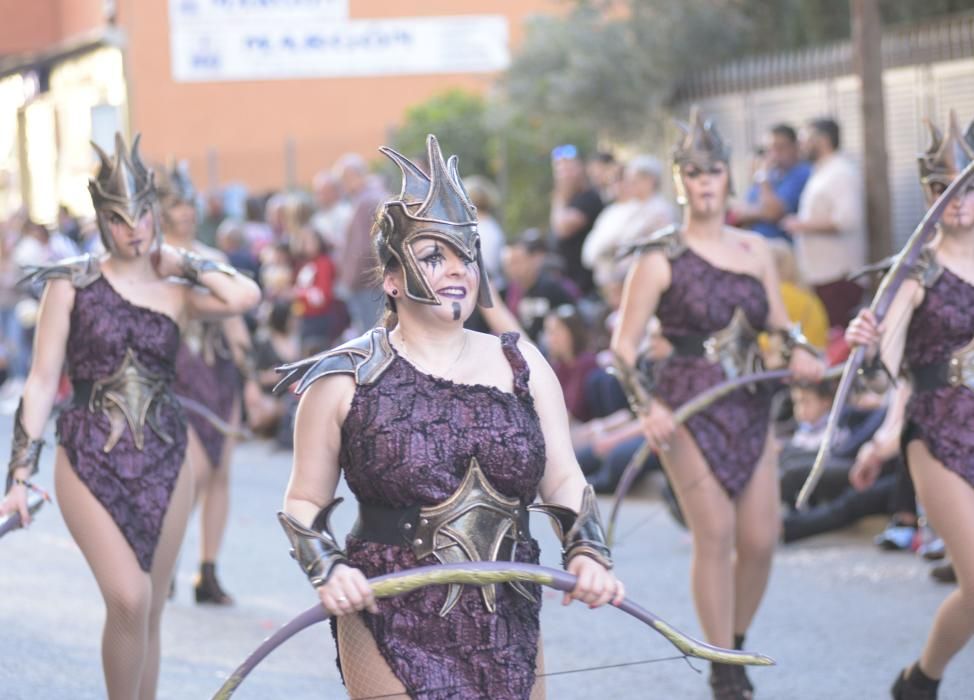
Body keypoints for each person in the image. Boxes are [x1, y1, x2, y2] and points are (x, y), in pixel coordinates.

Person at [276, 135, 621, 700]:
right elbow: (303, 502)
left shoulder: (521, 362)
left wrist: (587, 552)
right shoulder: (345, 377)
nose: (456, 270)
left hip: (508, 607)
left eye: (466, 255)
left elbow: (562, 477)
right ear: (390, 278)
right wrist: (329, 569)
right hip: (389, 609)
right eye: (434, 257)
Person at [0, 133, 260, 698]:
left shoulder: (177, 289)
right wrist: (18, 477)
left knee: (150, 615)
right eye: (119, 218)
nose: (133, 228)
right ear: (101, 219)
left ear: (156, 215)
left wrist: (182, 260)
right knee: (129, 597)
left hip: (169, 460)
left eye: (142, 214)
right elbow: (43, 381)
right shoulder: (71, 283)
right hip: (87, 455)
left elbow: (245, 297)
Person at [610, 108, 823, 700]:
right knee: (717, 531)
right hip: (685, 406)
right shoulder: (659, 257)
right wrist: (646, 407)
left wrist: (802, 353)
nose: (705, 183)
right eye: (693, 173)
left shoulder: (756, 250)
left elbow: (779, 329)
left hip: (749, 403)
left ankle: (733, 634)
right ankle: (723, 664)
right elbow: (623, 350)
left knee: (760, 538)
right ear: (681, 182)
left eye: (714, 172)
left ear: (729, 178)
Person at [845, 110, 974, 699]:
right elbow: (890, 351)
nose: (960, 200)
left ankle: (919, 683)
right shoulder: (918, 266)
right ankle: (923, 677)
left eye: (969, 184)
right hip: (938, 430)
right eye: (945, 188)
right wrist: (868, 335)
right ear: (928, 194)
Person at [159, 165, 259, 605]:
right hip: (177, 371)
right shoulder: (156, 261)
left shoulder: (212, 258)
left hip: (218, 370)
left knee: (220, 472)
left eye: (187, 204)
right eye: (175, 204)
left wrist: (250, 380)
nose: (184, 212)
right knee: (192, 473)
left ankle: (208, 572)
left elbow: (236, 320)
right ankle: (165, 563)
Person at [781, 118, 867, 328]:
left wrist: (800, 225)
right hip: (822, 277)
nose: (801, 146)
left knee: (839, 339)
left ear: (823, 140)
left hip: (838, 277)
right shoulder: (822, 171)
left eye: (805, 139)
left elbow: (846, 220)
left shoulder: (841, 172)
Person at [582, 154, 677, 289]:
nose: (632, 185)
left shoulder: (661, 210)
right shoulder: (629, 208)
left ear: (650, 180)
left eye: (635, 180)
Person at [731, 124, 811, 243]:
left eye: (780, 148)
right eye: (769, 149)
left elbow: (773, 212)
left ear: (795, 147)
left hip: (783, 250)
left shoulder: (802, 173)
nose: (773, 155)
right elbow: (739, 213)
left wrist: (762, 176)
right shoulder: (771, 174)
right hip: (757, 247)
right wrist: (760, 211)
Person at [502, 229, 577, 342]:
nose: (513, 268)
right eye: (509, 264)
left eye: (517, 261)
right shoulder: (508, 293)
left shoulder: (552, 287)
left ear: (532, 260)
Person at [549, 144, 604, 295]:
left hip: (584, 286)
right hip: (567, 282)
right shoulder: (568, 200)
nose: (564, 175)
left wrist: (559, 197)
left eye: (568, 168)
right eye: (559, 169)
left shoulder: (589, 198)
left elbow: (563, 228)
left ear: (581, 167)